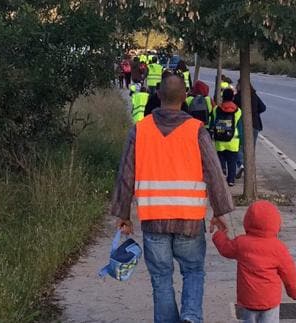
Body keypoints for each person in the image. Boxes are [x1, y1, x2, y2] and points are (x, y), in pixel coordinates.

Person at [111, 75, 233, 323]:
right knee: (193, 271)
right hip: (189, 220)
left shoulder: (140, 129)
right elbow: (214, 172)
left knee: (161, 279)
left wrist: (123, 214)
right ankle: (190, 317)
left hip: (154, 220)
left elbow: (126, 173)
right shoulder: (196, 130)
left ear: (158, 95)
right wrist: (220, 211)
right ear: (185, 96)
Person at [212, 200, 296, 323]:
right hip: (270, 300)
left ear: (247, 221)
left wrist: (220, 234)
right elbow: (289, 273)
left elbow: (225, 249)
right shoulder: (279, 248)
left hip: (248, 299)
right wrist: (295, 293)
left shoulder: (241, 243)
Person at [234, 80, 266, 179]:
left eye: (238, 85)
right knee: (251, 149)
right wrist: (254, 113)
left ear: (240, 86)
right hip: (255, 125)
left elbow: (234, 110)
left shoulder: (238, 97)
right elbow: (263, 107)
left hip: (242, 125)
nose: (236, 86)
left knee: (239, 146)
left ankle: (241, 165)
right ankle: (250, 171)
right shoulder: (254, 95)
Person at [212, 88, 242, 186]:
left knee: (221, 157)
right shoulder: (238, 111)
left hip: (220, 139)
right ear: (233, 97)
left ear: (222, 97)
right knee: (232, 161)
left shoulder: (216, 109)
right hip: (233, 140)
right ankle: (231, 180)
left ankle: (222, 171)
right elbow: (240, 126)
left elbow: (213, 121)